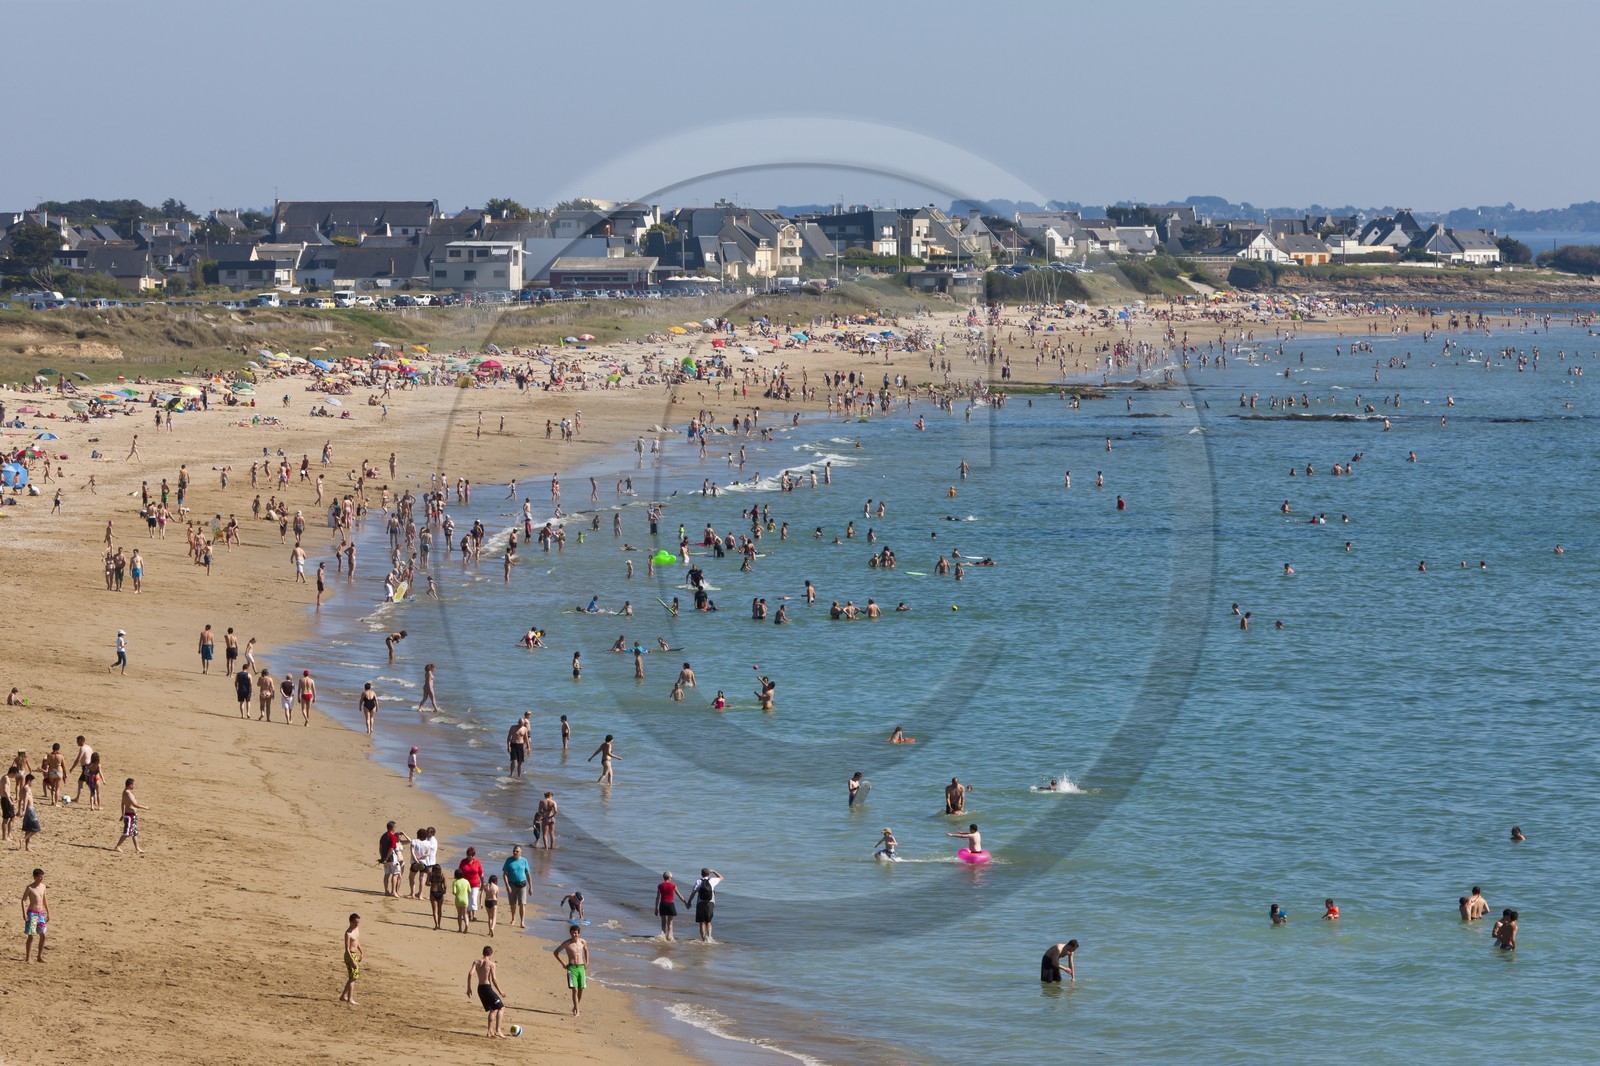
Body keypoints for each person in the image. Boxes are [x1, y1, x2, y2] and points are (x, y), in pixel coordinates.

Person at [468, 945, 506, 1037]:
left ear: (483, 953)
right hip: (487, 988)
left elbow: (470, 973)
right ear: (491, 954)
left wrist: (469, 988)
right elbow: (494, 979)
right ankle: (497, 1030)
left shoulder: (476, 962)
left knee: (492, 1009)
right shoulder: (491, 964)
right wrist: (500, 991)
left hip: (480, 988)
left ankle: (490, 1031)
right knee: (501, 1007)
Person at [553, 924, 589, 1017]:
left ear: (578, 933)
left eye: (576, 933)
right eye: (572, 933)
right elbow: (556, 953)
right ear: (570, 933)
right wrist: (563, 963)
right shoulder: (567, 943)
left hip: (581, 967)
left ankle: (575, 1006)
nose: (574, 935)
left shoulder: (583, 942)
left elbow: (586, 951)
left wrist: (587, 962)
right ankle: (577, 1011)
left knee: (581, 989)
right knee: (575, 990)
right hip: (572, 968)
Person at [112, 778, 148, 854]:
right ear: (130, 785)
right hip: (129, 815)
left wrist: (122, 814)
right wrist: (144, 807)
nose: (135, 786)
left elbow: (122, 803)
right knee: (127, 832)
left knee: (134, 832)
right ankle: (117, 846)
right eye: (134, 784)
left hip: (131, 815)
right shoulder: (127, 793)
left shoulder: (126, 792)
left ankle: (137, 848)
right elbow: (134, 804)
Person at [22, 868, 48, 963]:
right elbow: (23, 900)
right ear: (35, 877)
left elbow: (44, 900)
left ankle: (39, 956)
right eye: (40, 876)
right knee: (31, 935)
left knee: (43, 935)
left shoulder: (43, 887)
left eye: (42, 876)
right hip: (32, 914)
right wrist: (24, 913)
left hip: (40, 914)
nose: (41, 878)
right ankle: (28, 957)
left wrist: (48, 912)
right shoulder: (30, 888)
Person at [688, 867, 721, 942]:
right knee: (708, 922)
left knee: (701, 923)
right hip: (710, 903)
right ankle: (709, 938)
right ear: (708, 874)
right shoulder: (712, 880)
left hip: (700, 903)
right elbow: (721, 877)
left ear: (701, 874)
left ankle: (703, 939)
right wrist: (714, 871)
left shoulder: (698, 881)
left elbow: (693, 893)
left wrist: (689, 902)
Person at [502, 845, 531, 929]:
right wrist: (507, 885)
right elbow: (505, 874)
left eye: (517, 851)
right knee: (513, 904)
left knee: (522, 904)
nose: (515, 852)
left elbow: (528, 874)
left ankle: (522, 922)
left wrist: (531, 887)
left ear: (520, 852)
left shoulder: (524, 860)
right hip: (511, 885)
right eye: (514, 851)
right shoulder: (509, 860)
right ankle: (513, 918)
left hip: (522, 885)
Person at [655, 872, 686, 940]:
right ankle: (670, 936)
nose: (671, 878)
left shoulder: (660, 885)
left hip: (663, 904)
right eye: (671, 877)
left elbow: (657, 897)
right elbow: (679, 895)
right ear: (669, 877)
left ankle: (662, 935)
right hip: (670, 904)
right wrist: (685, 903)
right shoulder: (673, 885)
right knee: (670, 922)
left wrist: (656, 908)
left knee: (663, 922)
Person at [340, 914, 362, 1005]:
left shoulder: (356, 930)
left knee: (352, 977)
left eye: (358, 923)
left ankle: (343, 996)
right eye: (355, 923)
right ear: (351, 922)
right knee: (353, 977)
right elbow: (347, 949)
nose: (357, 924)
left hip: (355, 954)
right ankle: (350, 998)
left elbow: (356, 941)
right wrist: (352, 960)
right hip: (350, 956)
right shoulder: (348, 933)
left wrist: (361, 952)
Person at [452, 868, 472, 933]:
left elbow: (454, 892)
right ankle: (466, 924)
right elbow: (469, 891)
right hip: (465, 899)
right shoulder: (466, 881)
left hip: (458, 899)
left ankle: (460, 928)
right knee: (465, 914)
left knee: (459, 915)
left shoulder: (455, 882)